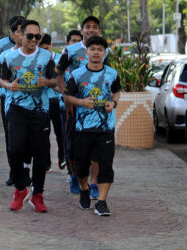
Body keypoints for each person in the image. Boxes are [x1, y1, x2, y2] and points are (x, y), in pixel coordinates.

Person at [0, 20, 58, 213]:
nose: (34, 40)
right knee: (14, 150)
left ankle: (38, 195)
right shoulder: (9, 57)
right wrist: (9, 86)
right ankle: (20, 189)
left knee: (40, 155)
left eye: (37, 36)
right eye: (30, 36)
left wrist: (46, 82)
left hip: (40, 111)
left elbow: (55, 81)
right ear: (21, 36)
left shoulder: (46, 56)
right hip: (16, 109)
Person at [64, 35, 121, 216]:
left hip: (105, 128)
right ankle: (83, 188)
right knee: (81, 167)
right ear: (86, 52)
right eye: (93, 49)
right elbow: (67, 96)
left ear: (105, 53)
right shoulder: (77, 75)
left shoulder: (112, 73)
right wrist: (80, 102)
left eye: (100, 50)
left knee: (106, 165)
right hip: (83, 128)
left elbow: (117, 91)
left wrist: (113, 103)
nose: (96, 52)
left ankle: (102, 203)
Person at [57, 16, 109, 198]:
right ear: (82, 30)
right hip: (74, 107)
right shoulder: (70, 51)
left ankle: (93, 183)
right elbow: (59, 73)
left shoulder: (105, 51)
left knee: (95, 149)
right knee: (72, 148)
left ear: (99, 31)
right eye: (88, 27)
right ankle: (73, 175)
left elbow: (108, 77)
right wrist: (67, 98)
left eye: (95, 27)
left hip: (96, 108)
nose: (91, 30)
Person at [0, 18, 32, 188]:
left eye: (25, 32)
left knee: (29, 138)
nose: (21, 35)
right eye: (18, 31)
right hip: (9, 100)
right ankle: (14, 171)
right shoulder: (2, 49)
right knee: (12, 138)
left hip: (33, 103)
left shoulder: (38, 54)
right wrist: (6, 82)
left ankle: (25, 170)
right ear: (12, 32)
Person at [38, 34, 66, 172]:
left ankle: (62, 157)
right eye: (41, 48)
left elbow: (63, 79)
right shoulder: (36, 59)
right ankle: (45, 163)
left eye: (46, 48)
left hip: (57, 101)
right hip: (42, 102)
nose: (44, 50)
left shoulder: (60, 59)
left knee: (60, 132)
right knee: (44, 133)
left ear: (51, 45)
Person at [60, 30, 83, 182]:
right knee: (69, 141)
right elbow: (57, 78)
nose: (75, 43)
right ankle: (71, 172)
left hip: (86, 108)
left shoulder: (85, 61)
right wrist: (66, 97)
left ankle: (84, 173)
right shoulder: (64, 60)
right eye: (73, 40)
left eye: (78, 41)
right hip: (66, 107)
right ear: (68, 43)